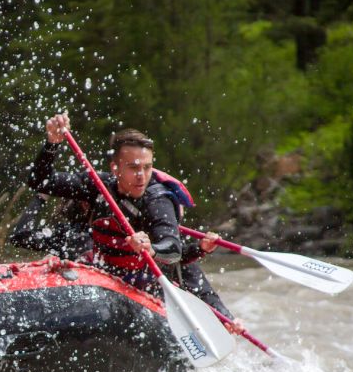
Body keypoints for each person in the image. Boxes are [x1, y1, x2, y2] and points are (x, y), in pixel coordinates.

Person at [28, 113, 244, 333]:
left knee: (223, 317)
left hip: (161, 277)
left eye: (147, 167)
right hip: (113, 276)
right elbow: (40, 181)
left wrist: (151, 249)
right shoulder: (99, 186)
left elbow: (173, 248)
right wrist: (51, 145)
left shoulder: (157, 200)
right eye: (133, 168)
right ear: (116, 168)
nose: (142, 175)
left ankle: (225, 320)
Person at [7, 191, 92, 261]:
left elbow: (20, 236)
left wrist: (40, 198)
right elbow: (20, 238)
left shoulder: (64, 235)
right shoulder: (64, 234)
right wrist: (40, 197)